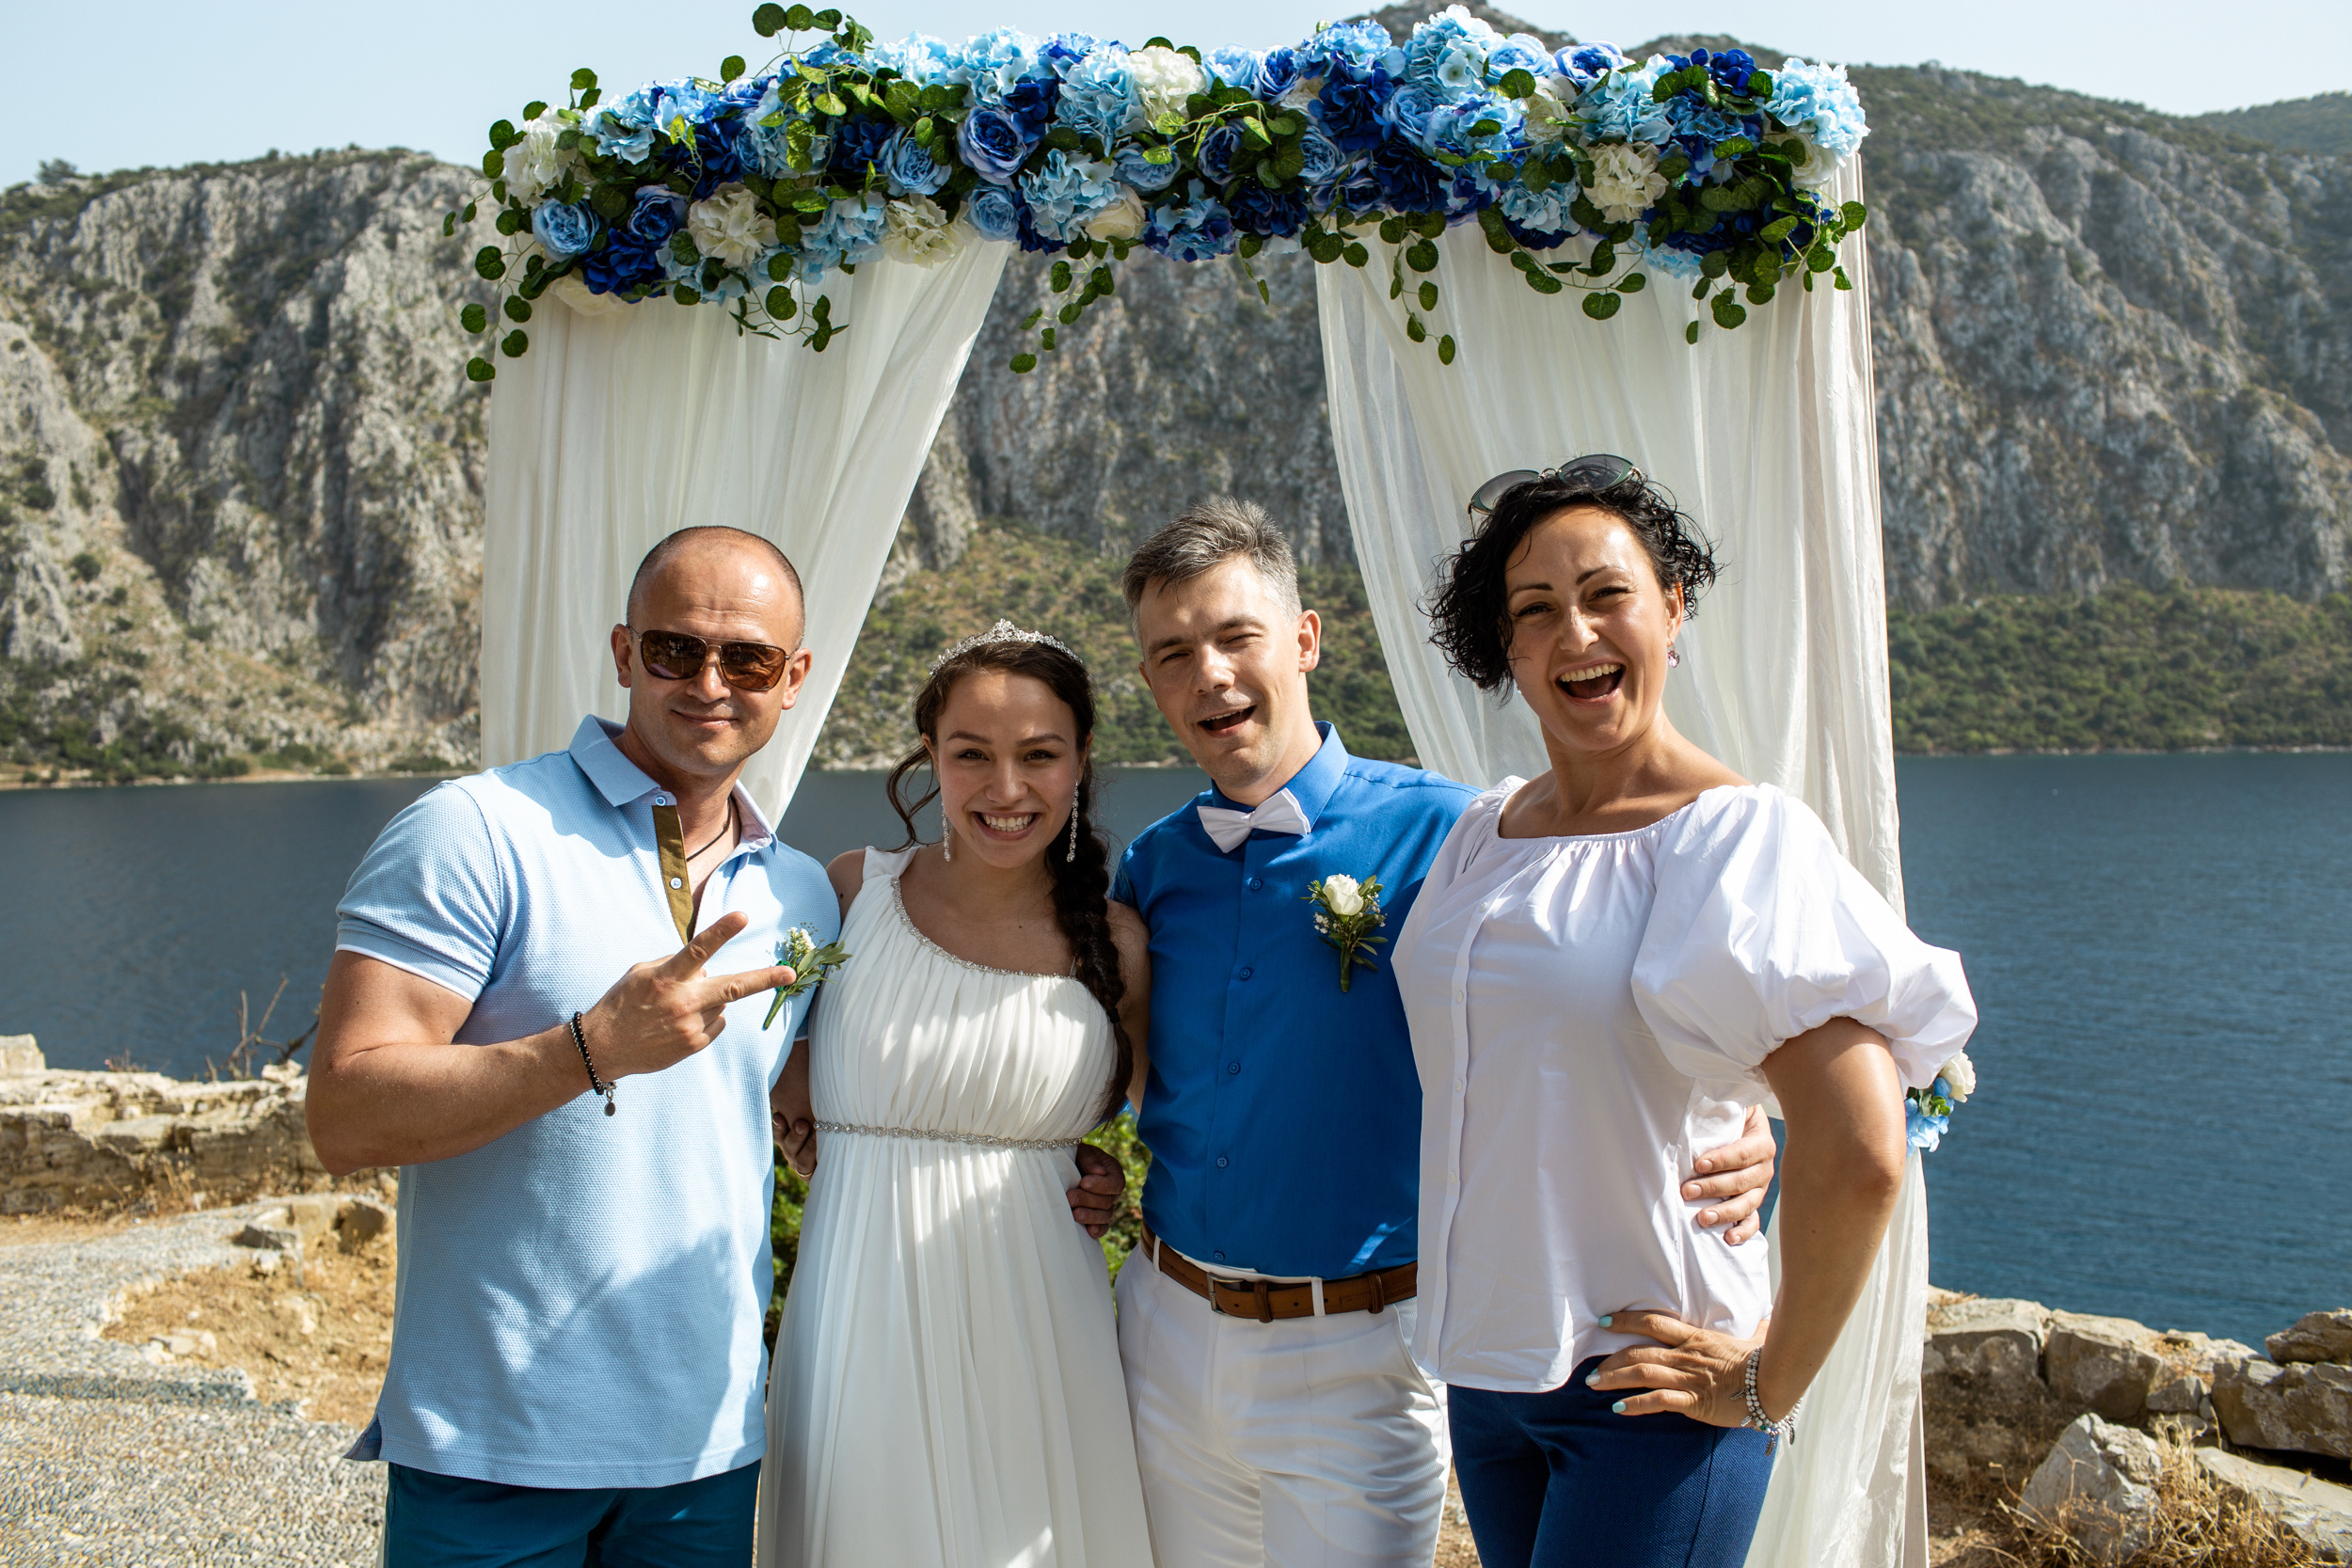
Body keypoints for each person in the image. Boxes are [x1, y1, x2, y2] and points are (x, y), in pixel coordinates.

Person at [307, 529, 1122, 1566]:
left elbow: (832, 1093)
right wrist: (588, 1049)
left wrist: (1066, 1163)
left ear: (793, 680)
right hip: (497, 1444)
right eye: (672, 649)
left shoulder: (795, 890)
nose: (708, 682)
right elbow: (345, 1114)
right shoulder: (476, 829)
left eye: (746, 658)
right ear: (620, 651)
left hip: (706, 1448)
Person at [1105, 499, 1784, 1568]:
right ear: (1151, 682)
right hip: (1162, 1324)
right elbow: (1128, 1060)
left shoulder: (1465, 837)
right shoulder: (1150, 865)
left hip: (1363, 1351)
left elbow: (1614, 994)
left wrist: (1747, 1124)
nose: (1210, 676)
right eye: (1173, 653)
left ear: (1304, 639)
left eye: (1235, 637)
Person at [1392, 460, 1979, 1568]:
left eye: (1606, 592)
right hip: (1489, 1374)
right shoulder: (1480, 834)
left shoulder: (1727, 838)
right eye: (1533, 610)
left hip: (1648, 1395)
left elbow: (1861, 1147)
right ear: (1506, 649)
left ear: (1669, 606)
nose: (1575, 631)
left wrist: (1767, 1378)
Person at [755, 621, 1154, 1568]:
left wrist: (1115, 1183)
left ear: (1081, 759)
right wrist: (793, 1107)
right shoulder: (851, 891)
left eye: (1038, 755)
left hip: (1036, 1317)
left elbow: (1185, 1123)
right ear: (930, 754)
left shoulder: (1121, 942)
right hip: (862, 1303)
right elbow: (751, 1047)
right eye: (971, 753)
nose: (1005, 788)